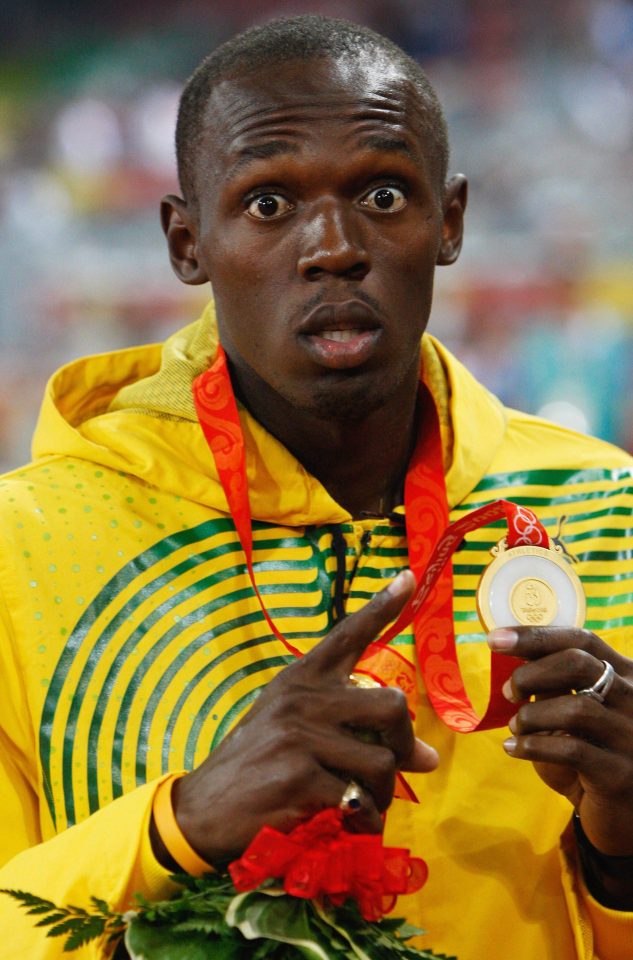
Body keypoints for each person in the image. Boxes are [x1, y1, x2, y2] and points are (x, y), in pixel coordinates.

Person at [0, 14, 632, 959]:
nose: (332, 245)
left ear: (449, 220)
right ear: (186, 242)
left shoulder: (608, 514)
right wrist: (177, 826)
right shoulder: (27, 543)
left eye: (382, 194)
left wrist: (622, 860)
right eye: (266, 204)